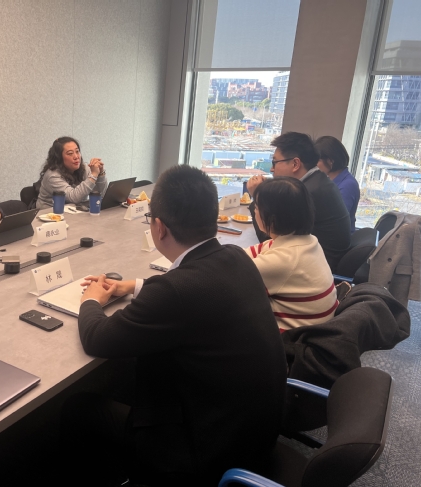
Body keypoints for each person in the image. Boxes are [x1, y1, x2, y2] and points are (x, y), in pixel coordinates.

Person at [61, 166, 287, 485]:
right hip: (253, 433)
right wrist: (132, 286)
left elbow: (98, 338)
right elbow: (191, 290)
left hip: (203, 453)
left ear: (159, 228)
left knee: (79, 408)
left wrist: (91, 300)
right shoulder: (236, 257)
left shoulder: (175, 292)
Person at [246, 132, 351, 273]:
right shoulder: (318, 181)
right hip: (316, 260)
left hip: (311, 268)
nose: (272, 169)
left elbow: (269, 236)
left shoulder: (306, 193)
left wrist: (258, 197)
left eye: (275, 162)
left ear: (295, 164)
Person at [245, 177, 338, 330]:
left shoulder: (283, 260)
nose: (254, 211)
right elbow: (246, 254)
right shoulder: (308, 242)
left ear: (272, 219)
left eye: (256, 207)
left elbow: (229, 276)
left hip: (292, 340)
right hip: (317, 331)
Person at [36, 137, 107, 209]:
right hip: (50, 212)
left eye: (77, 151)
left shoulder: (85, 168)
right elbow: (73, 198)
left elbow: (100, 194)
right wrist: (93, 175)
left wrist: (101, 173)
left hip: (76, 211)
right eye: (70, 153)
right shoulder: (52, 176)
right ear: (59, 158)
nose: (76, 157)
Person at [315, 135, 360, 233]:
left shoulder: (348, 185)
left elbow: (335, 221)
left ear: (330, 161)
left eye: (317, 160)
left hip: (337, 238)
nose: (314, 164)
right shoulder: (327, 180)